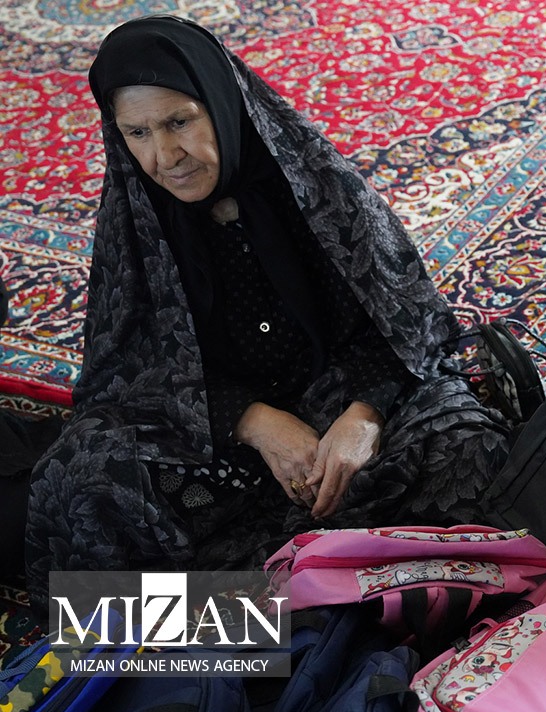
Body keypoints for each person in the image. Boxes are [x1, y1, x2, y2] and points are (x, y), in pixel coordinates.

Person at [24, 16, 510, 612]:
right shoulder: (137, 219)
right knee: (80, 477)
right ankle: (321, 612)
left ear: (222, 103)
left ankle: (276, 616)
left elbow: (409, 323)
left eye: (180, 122)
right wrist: (252, 422)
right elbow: (131, 372)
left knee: (469, 447)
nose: (165, 156)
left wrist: (364, 417)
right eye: (138, 133)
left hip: (340, 402)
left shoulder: (315, 187)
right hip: (217, 442)